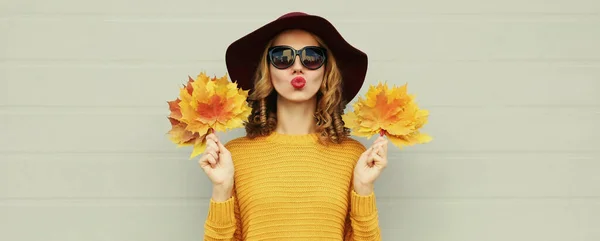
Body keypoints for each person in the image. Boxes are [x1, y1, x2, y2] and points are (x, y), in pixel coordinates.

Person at [199, 12, 388, 240]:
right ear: (266, 70)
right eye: (282, 57)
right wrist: (221, 189)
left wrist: (364, 189)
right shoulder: (234, 156)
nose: (298, 67)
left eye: (311, 57)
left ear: (326, 70)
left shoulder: (353, 156)